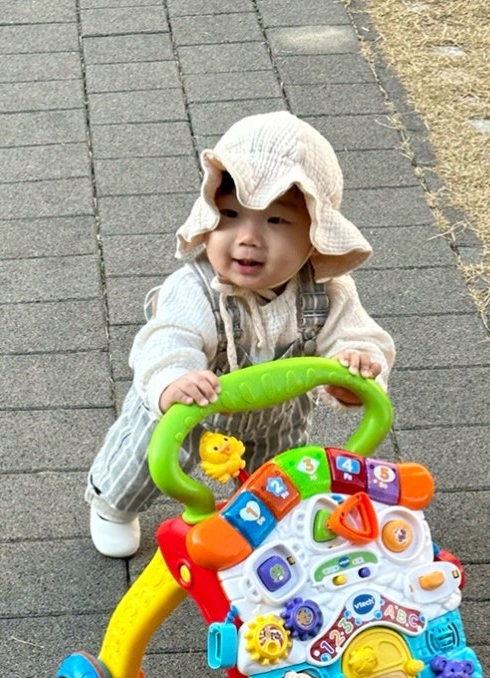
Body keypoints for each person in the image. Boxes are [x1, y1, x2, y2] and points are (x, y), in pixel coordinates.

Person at [87, 111, 396, 557]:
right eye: (230, 215)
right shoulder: (194, 288)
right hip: (193, 399)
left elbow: (360, 337)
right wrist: (174, 378)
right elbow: (168, 337)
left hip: (277, 415)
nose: (248, 238)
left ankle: (259, 523)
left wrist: (355, 368)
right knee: (147, 455)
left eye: (276, 222)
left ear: (315, 235)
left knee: (277, 482)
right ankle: (112, 507)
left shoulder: (329, 292)